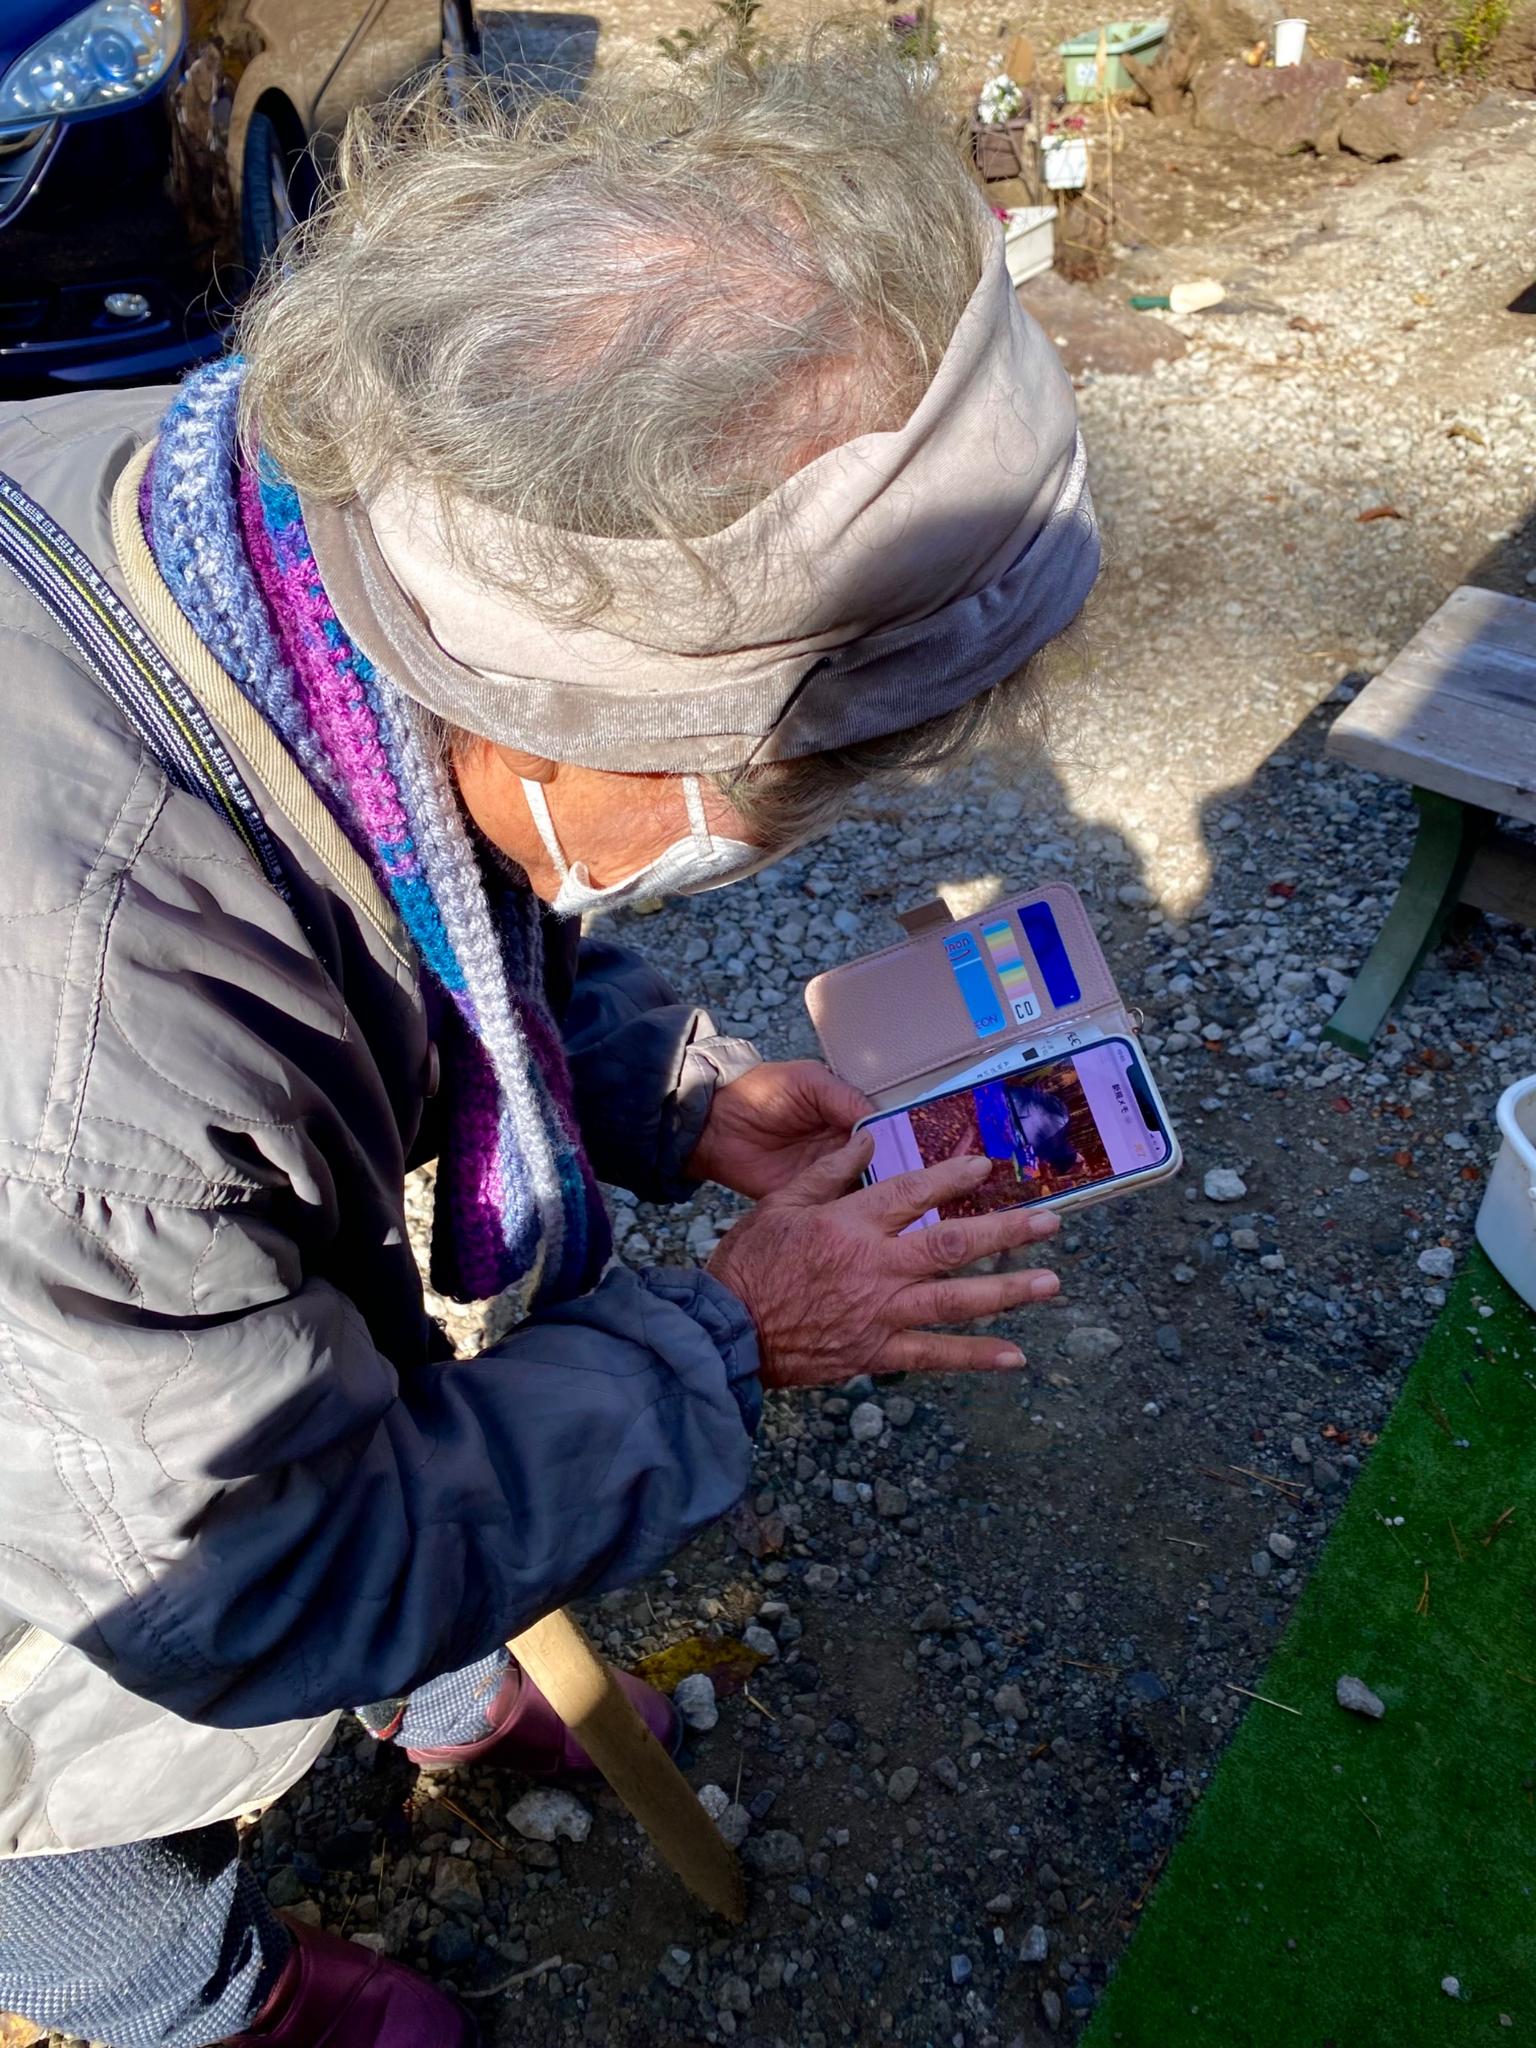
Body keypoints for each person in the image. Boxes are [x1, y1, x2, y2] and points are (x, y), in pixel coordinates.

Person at [0, 33, 1099, 2048]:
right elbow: (243, 1579)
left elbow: (433, 888)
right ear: (562, 716)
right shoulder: (96, 1074)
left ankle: (439, 1700)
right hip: (74, 1541)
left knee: (361, 1441)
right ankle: (228, 2002)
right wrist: (726, 1333)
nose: (746, 854)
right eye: (769, 808)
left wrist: (676, 1097)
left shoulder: (299, 518)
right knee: (69, 1824)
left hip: (122, 1342)